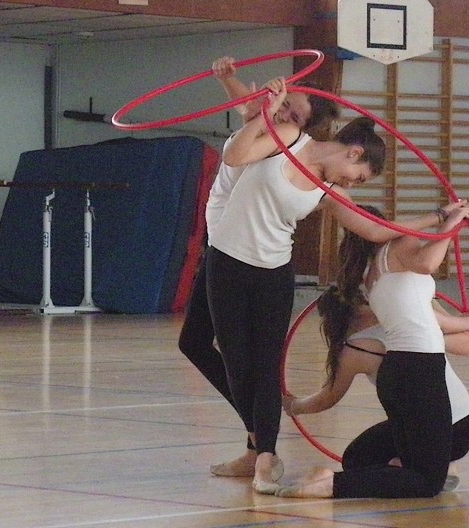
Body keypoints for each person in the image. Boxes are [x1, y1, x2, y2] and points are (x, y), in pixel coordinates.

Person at [204, 77, 469, 495]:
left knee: (266, 364)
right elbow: (235, 155)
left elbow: (376, 229)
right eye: (358, 176)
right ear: (353, 152)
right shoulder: (289, 138)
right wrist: (264, 115)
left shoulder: (328, 190)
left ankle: (266, 456)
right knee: (237, 361)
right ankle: (258, 446)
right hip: (226, 260)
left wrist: (440, 217)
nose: (351, 184)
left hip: (273, 271)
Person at [178, 56, 340, 480]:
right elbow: (251, 109)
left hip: (244, 257)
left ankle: (261, 444)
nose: (283, 113)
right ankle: (258, 434)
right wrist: (230, 79)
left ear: (302, 127)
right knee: (195, 343)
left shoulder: (279, 137)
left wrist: (265, 106)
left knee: (249, 361)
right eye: (285, 105)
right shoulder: (266, 121)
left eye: (293, 114)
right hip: (221, 248)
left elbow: (243, 137)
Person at [275, 200, 469, 499]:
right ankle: (331, 483)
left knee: (406, 468)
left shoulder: (372, 276)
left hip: (399, 371)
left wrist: (467, 321)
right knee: (426, 483)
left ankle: (367, 475)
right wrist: (448, 225)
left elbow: (428, 318)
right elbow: (427, 263)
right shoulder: (397, 247)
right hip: (420, 367)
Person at [282, 279, 469, 491]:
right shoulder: (405, 325)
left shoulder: (358, 348)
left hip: (446, 426)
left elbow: (328, 397)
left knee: (422, 481)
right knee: (357, 458)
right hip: (457, 423)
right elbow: (467, 344)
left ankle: (337, 482)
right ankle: (427, 467)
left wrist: (294, 406)